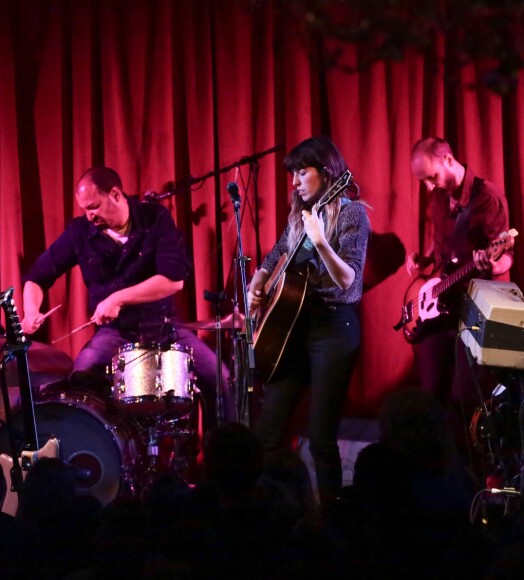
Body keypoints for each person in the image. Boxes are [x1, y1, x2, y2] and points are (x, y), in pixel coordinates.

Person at [20, 166, 229, 428]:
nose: (89, 216)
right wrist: (30, 311)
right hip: (116, 333)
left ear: (116, 194)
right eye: (84, 209)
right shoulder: (80, 232)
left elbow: (173, 280)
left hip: (165, 328)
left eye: (94, 206)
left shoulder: (154, 218)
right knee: (80, 378)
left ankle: (219, 460)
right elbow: (36, 277)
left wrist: (117, 298)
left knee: (221, 379)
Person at [247, 135, 371, 509]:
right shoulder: (301, 216)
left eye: (302, 172)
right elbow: (276, 255)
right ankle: (265, 511)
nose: (295, 181)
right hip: (293, 330)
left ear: (326, 171)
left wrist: (321, 242)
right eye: (293, 174)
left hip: (333, 329)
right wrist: (259, 280)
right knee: (268, 431)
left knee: (320, 437)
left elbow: (350, 282)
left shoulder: (352, 213)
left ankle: (333, 517)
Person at [406, 137, 513, 412]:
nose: (430, 186)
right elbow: (443, 243)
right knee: (430, 393)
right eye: (424, 181)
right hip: (441, 305)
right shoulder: (439, 197)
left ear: (449, 160)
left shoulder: (488, 197)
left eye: (432, 177)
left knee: (465, 399)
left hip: (475, 308)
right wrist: (425, 257)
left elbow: (506, 256)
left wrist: (492, 265)